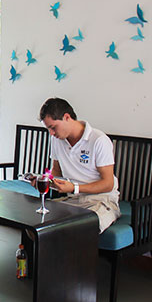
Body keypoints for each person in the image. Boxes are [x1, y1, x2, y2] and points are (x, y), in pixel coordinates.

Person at [39, 97, 120, 233]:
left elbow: (108, 184)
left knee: (80, 229)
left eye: (53, 127)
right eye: (48, 129)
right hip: (73, 199)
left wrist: (74, 187)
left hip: (102, 200)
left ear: (66, 117)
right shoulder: (56, 140)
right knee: (37, 221)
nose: (51, 133)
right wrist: (44, 181)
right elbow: (56, 171)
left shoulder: (98, 140)